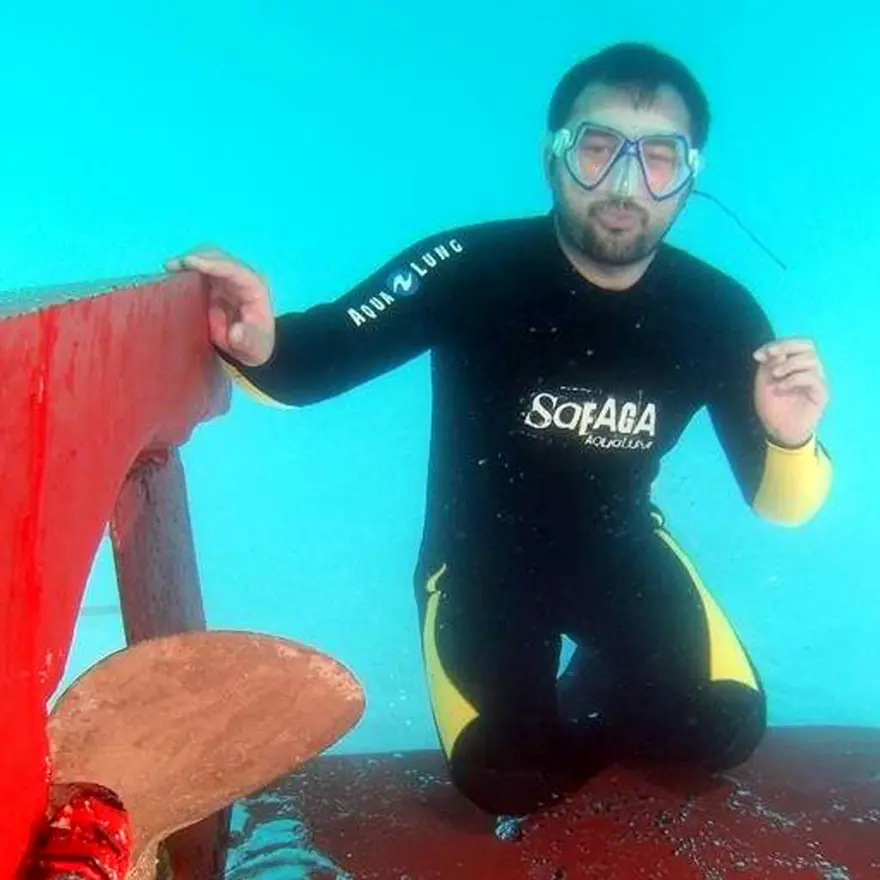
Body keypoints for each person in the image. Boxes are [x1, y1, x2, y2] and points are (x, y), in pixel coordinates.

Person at [168, 42, 831, 821]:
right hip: (477, 562)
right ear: (552, 155)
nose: (625, 184)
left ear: (691, 176)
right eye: (597, 147)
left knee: (724, 729)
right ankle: (548, 708)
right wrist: (257, 340)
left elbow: (782, 504)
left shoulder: (719, 311)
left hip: (620, 547)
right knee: (506, 779)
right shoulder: (467, 265)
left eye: (658, 157)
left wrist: (790, 438)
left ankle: (600, 675)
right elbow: (317, 358)